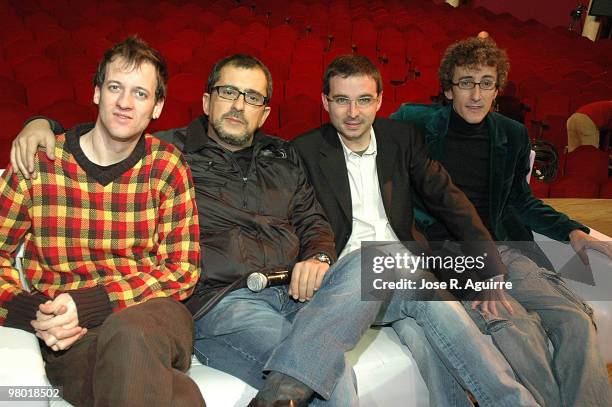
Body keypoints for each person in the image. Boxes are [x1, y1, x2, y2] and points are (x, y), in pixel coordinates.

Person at [11, 54, 383, 406]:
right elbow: (108, 133)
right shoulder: (173, 155)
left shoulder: (282, 155)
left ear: (265, 112)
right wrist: (41, 123)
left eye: (251, 97)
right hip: (224, 300)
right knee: (332, 380)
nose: (238, 104)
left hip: (293, 292)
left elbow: (312, 220)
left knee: (390, 262)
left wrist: (318, 256)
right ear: (206, 101)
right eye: (228, 92)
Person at [292, 54, 539, 407]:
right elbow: (299, 221)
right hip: (349, 282)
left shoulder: (401, 138)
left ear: (379, 100)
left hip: (405, 279)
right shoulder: (304, 151)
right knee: (434, 304)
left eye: (364, 100)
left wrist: (490, 263)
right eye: (341, 100)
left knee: (432, 344)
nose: (353, 112)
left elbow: (447, 198)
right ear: (325, 101)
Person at [392, 37, 612, 407]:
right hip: (449, 255)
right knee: (517, 327)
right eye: (466, 83)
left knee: (576, 320)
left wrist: (571, 230)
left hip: (505, 249)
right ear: (448, 89)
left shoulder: (511, 134)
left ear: (498, 88)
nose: (476, 95)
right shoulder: (414, 126)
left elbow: (519, 201)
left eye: (486, 83)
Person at [0, 36, 204, 406]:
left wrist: (94, 303)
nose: (125, 103)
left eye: (140, 94)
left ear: (157, 107)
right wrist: (37, 314)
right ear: (96, 93)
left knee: (129, 330)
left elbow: (182, 270)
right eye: (115, 87)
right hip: (72, 336)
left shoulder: (168, 167)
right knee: (179, 396)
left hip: (155, 314)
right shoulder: (40, 163)